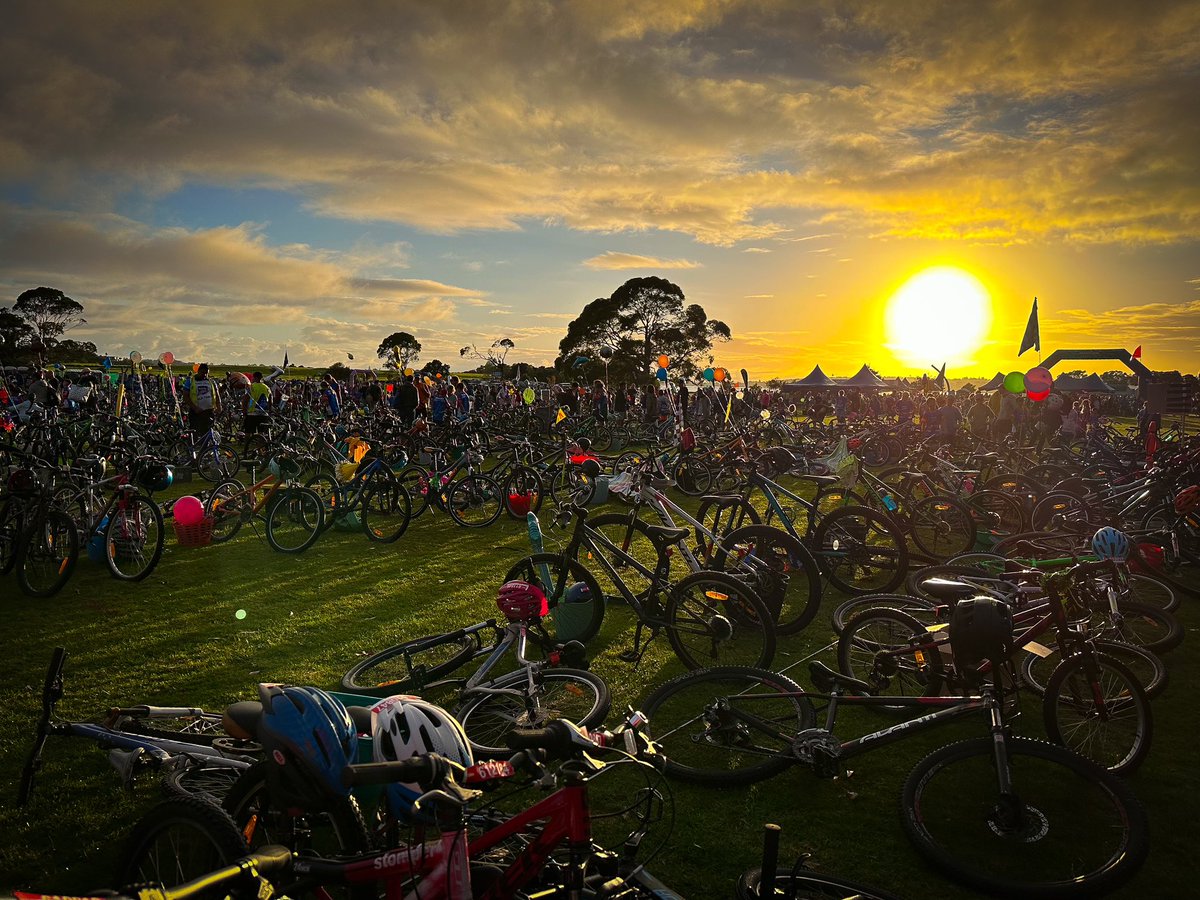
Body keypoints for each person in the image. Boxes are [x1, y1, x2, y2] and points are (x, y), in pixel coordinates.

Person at [187, 363, 221, 433]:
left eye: (206, 373)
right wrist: (195, 408)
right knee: (194, 432)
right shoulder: (190, 381)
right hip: (196, 412)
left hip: (209, 411)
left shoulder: (211, 382)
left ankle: (205, 444)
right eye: (203, 372)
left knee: (207, 432)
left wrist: (219, 406)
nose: (205, 375)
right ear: (198, 371)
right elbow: (185, 396)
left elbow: (217, 395)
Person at [244, 371, 271, 453]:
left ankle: (246, 449)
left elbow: (245, 399)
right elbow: (271, 400)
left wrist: (244, 411)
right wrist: (269, 410)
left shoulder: (251, 387)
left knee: (248, 433)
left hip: (252, 413)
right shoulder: (266, 387)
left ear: (255, 378)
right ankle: (260, 451)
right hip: (263, 413)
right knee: (261, 434)